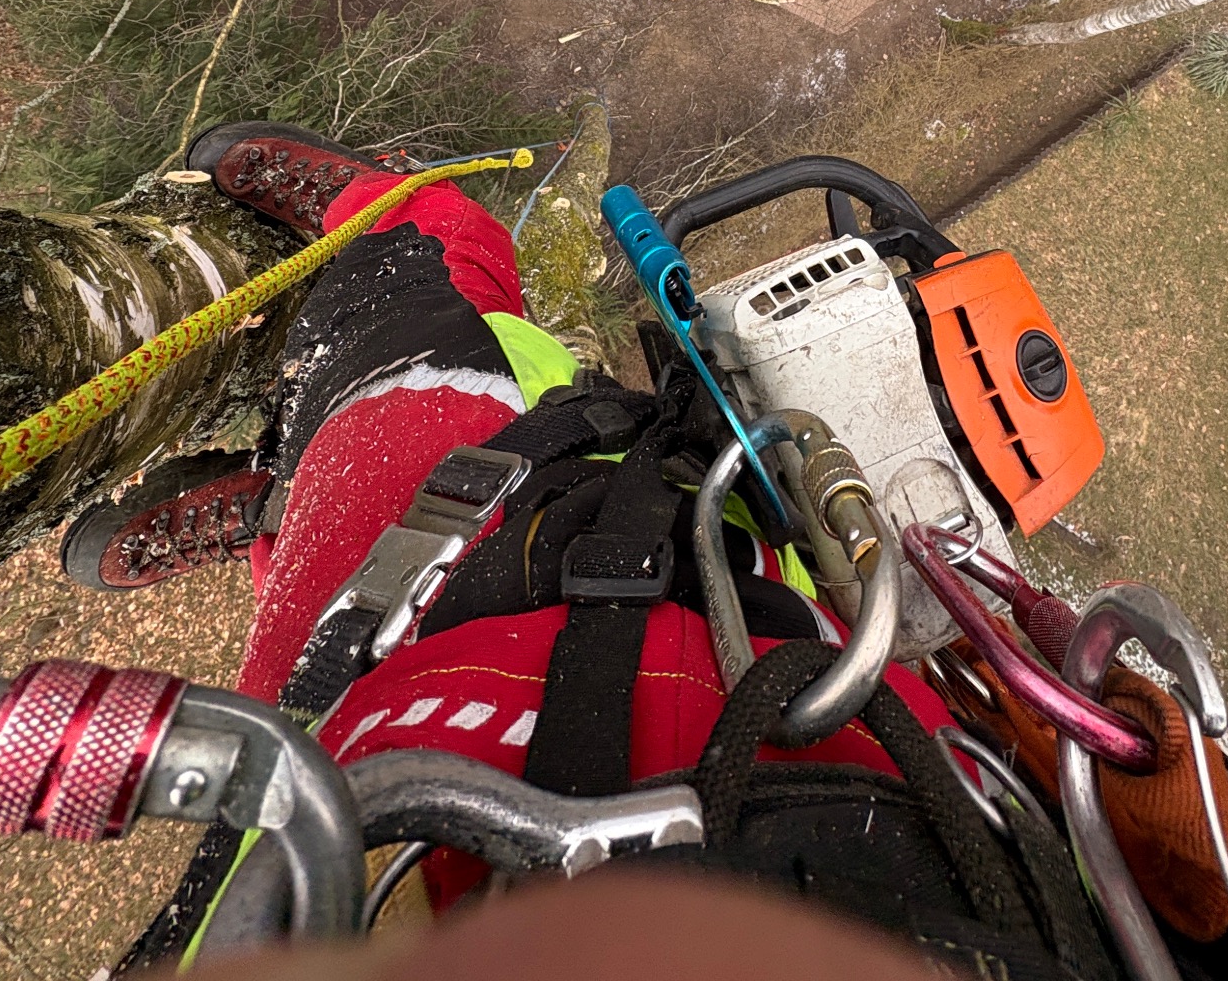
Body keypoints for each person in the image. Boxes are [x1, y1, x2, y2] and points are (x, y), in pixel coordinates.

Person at [92, 123, 1111, 977]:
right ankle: (404, 238)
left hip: (352, 777)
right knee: (429, 349)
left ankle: (290, 493)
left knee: (331, 563)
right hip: (764, 637)